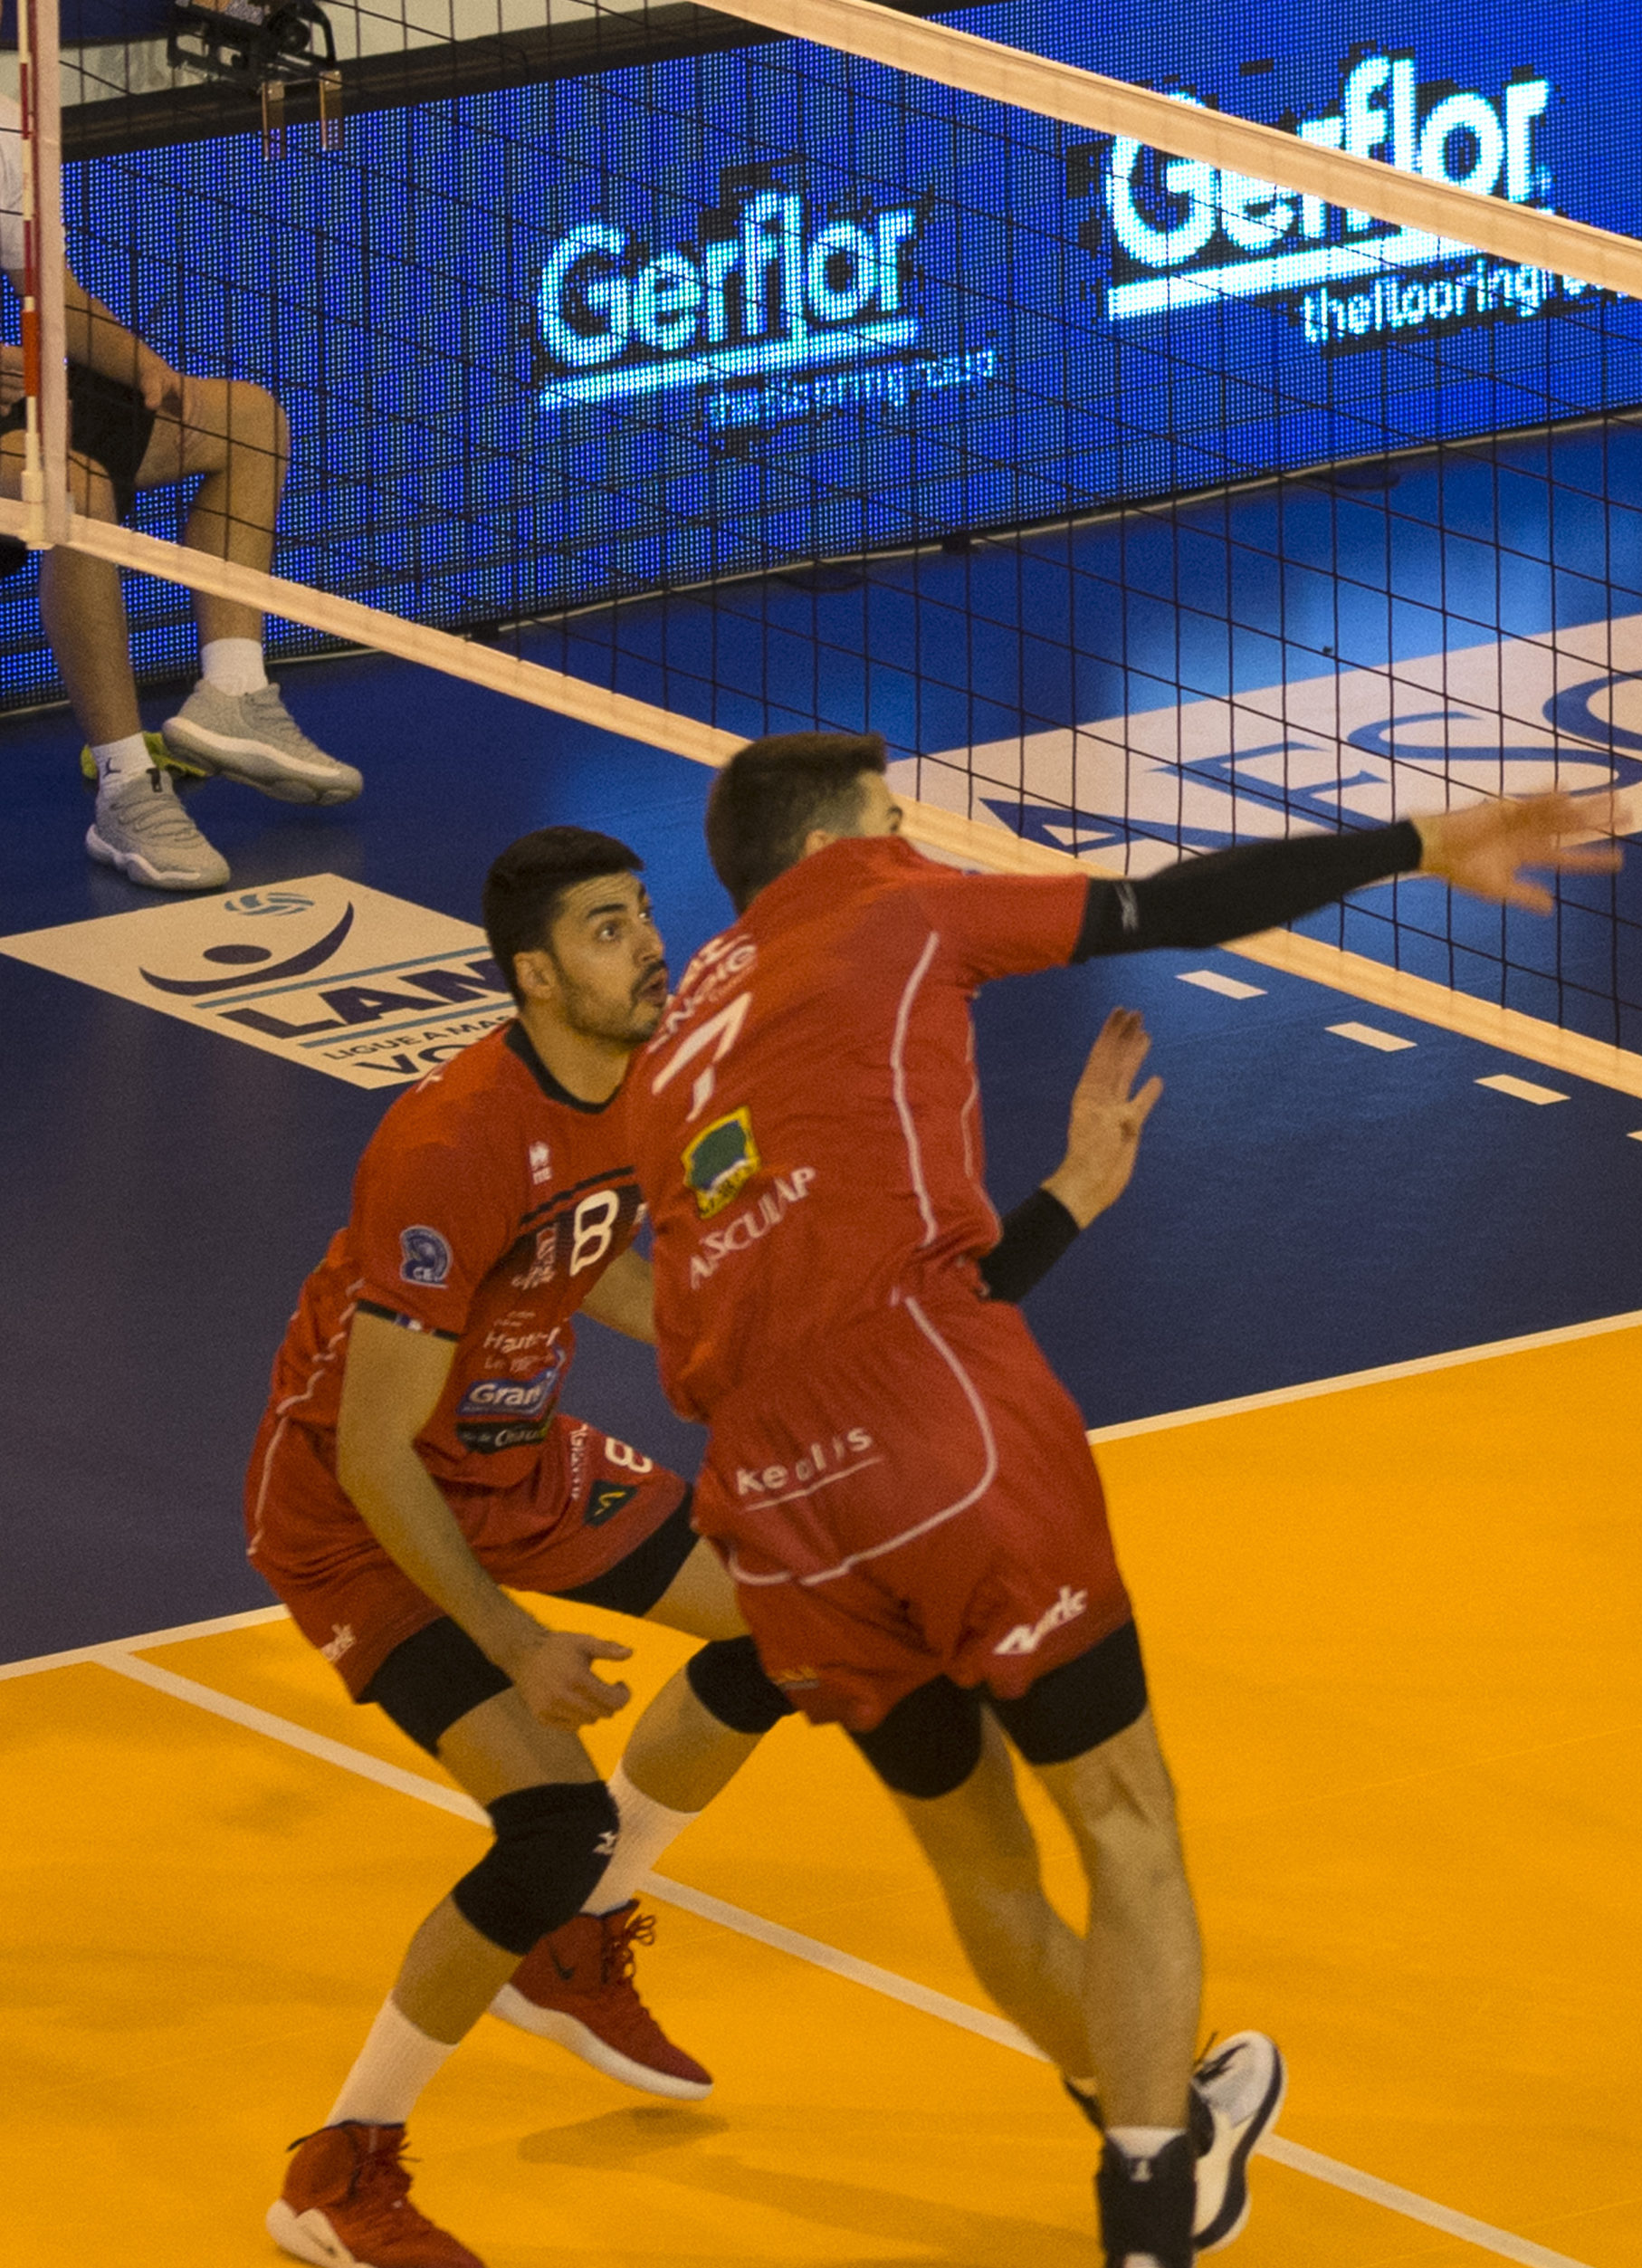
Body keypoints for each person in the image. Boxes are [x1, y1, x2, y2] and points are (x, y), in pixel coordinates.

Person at [620, 734, 1615, 2268]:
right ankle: (1146, 2217)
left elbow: (796, 1281)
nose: (914, 836)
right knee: (1125, 1819)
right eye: (892, 815)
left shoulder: (673, 1039)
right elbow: (1169, 906)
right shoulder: (887, 901)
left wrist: (1069, 1198)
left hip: (768, 1499)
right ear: (831, 843)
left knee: (983, 1870)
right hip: (938, 1422)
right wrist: (1422, 844)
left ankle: (1163, 2131)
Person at [248, 824, 1173, 2267]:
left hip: (516, 1463)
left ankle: (575, 1945)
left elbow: (605, 1268)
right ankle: (338, 2168)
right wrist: (515, 1642)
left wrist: (1039, 1214)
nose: (650, 945)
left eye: (642, 913)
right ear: (534, 975)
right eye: (608, 928)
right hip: (358, 1515)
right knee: (551, 1825)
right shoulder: (448, 1144)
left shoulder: (654, 1084)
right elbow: (372, 1450)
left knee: (792, 1620)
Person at [2, 112, 357, 893]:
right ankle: (125, 785)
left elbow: (50, 293)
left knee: (246, 422)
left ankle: (233, 692)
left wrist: (143, 365)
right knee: (73, 488)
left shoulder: (3, 129)